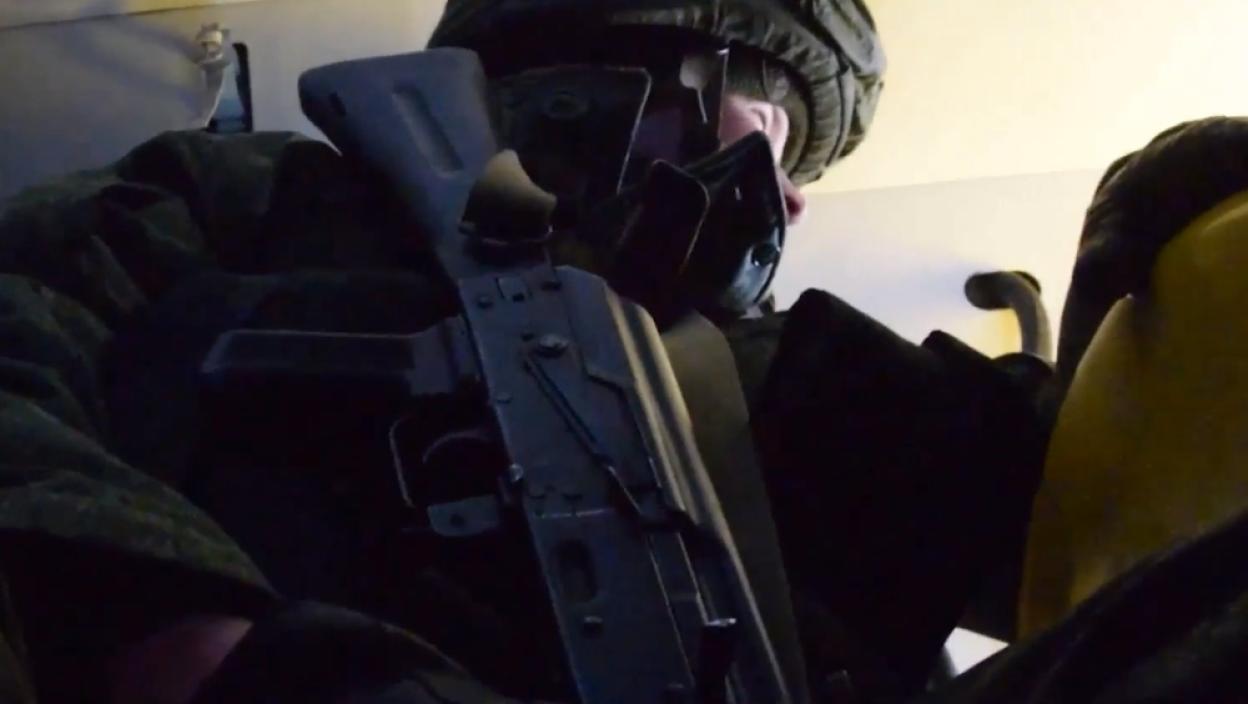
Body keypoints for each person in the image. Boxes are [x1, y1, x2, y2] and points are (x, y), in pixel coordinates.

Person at [0, 1, 1059, 702]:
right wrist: (181, 634)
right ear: (641, 77)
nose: (787, 200)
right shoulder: (269, 202)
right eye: (772, 131)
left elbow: (1086, 526)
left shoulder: (777, 379)